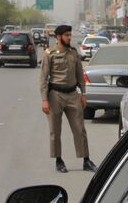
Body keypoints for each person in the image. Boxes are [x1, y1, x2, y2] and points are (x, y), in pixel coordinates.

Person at [40, 25, 97, 173]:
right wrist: (44, 99)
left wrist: (83, 94)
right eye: (66, 35)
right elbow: (43, 78)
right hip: (55, 95)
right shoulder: (49, 54)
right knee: (55, 130)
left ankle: (86, 160)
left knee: (80, 129)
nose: (69, 37)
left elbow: (80, 75)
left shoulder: (73, 53)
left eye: (70, 35)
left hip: (73, 95)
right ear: (58, 37)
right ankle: (59, 161)